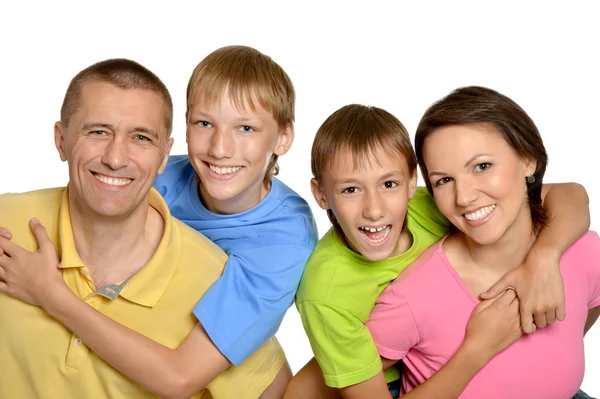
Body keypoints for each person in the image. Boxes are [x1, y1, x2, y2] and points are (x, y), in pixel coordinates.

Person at [0, 46, 317, 398]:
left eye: (245, 127)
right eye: (204, 123)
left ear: (284, 138)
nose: (220, 148)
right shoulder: (158, 177)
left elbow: (182, 377)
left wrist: (50, 294)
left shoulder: (284, 241)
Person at [284, 104, 590, 399]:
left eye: (389, 183)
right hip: (376, 383)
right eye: (351, 189)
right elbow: (316, 386)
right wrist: (480, 347)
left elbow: (566, 194)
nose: (374, 210)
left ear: (410, 184)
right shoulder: (325, 293)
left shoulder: (431, 204)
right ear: (321, 195)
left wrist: (543, 260)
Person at [366, 86, 600, 398]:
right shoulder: (412, 299)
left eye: (482, 166)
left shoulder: (581, 250)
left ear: (527, 159)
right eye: (444, 181)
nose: (463, 197)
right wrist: (476, 352)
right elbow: (332, 383)